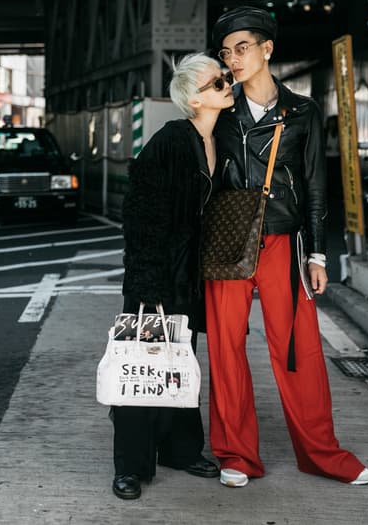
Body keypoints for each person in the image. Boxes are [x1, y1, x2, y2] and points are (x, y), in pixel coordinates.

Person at [206, 6, 368, 488]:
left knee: (298, 351)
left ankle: (323, 454)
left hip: (287, 240)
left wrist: (318, 253)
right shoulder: (220, 107)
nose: (233, 59)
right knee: (226, 348)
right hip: (228, 237)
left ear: (267, 49)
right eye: (226, 52)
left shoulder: (302, 110)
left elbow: (317, 186)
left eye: (242, 48)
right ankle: (236, 454)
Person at [113, 52, 234, 499]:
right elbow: (140, 216)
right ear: (194, 100)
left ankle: (180, 450)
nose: (227, 84)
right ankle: (130, 464)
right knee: (141, 371)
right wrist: (148, 286)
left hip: (191, 279)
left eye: (224, 79)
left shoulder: (220, 138)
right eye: (217, 83)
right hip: (156, 278)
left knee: (181, 363)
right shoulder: (168, 142)